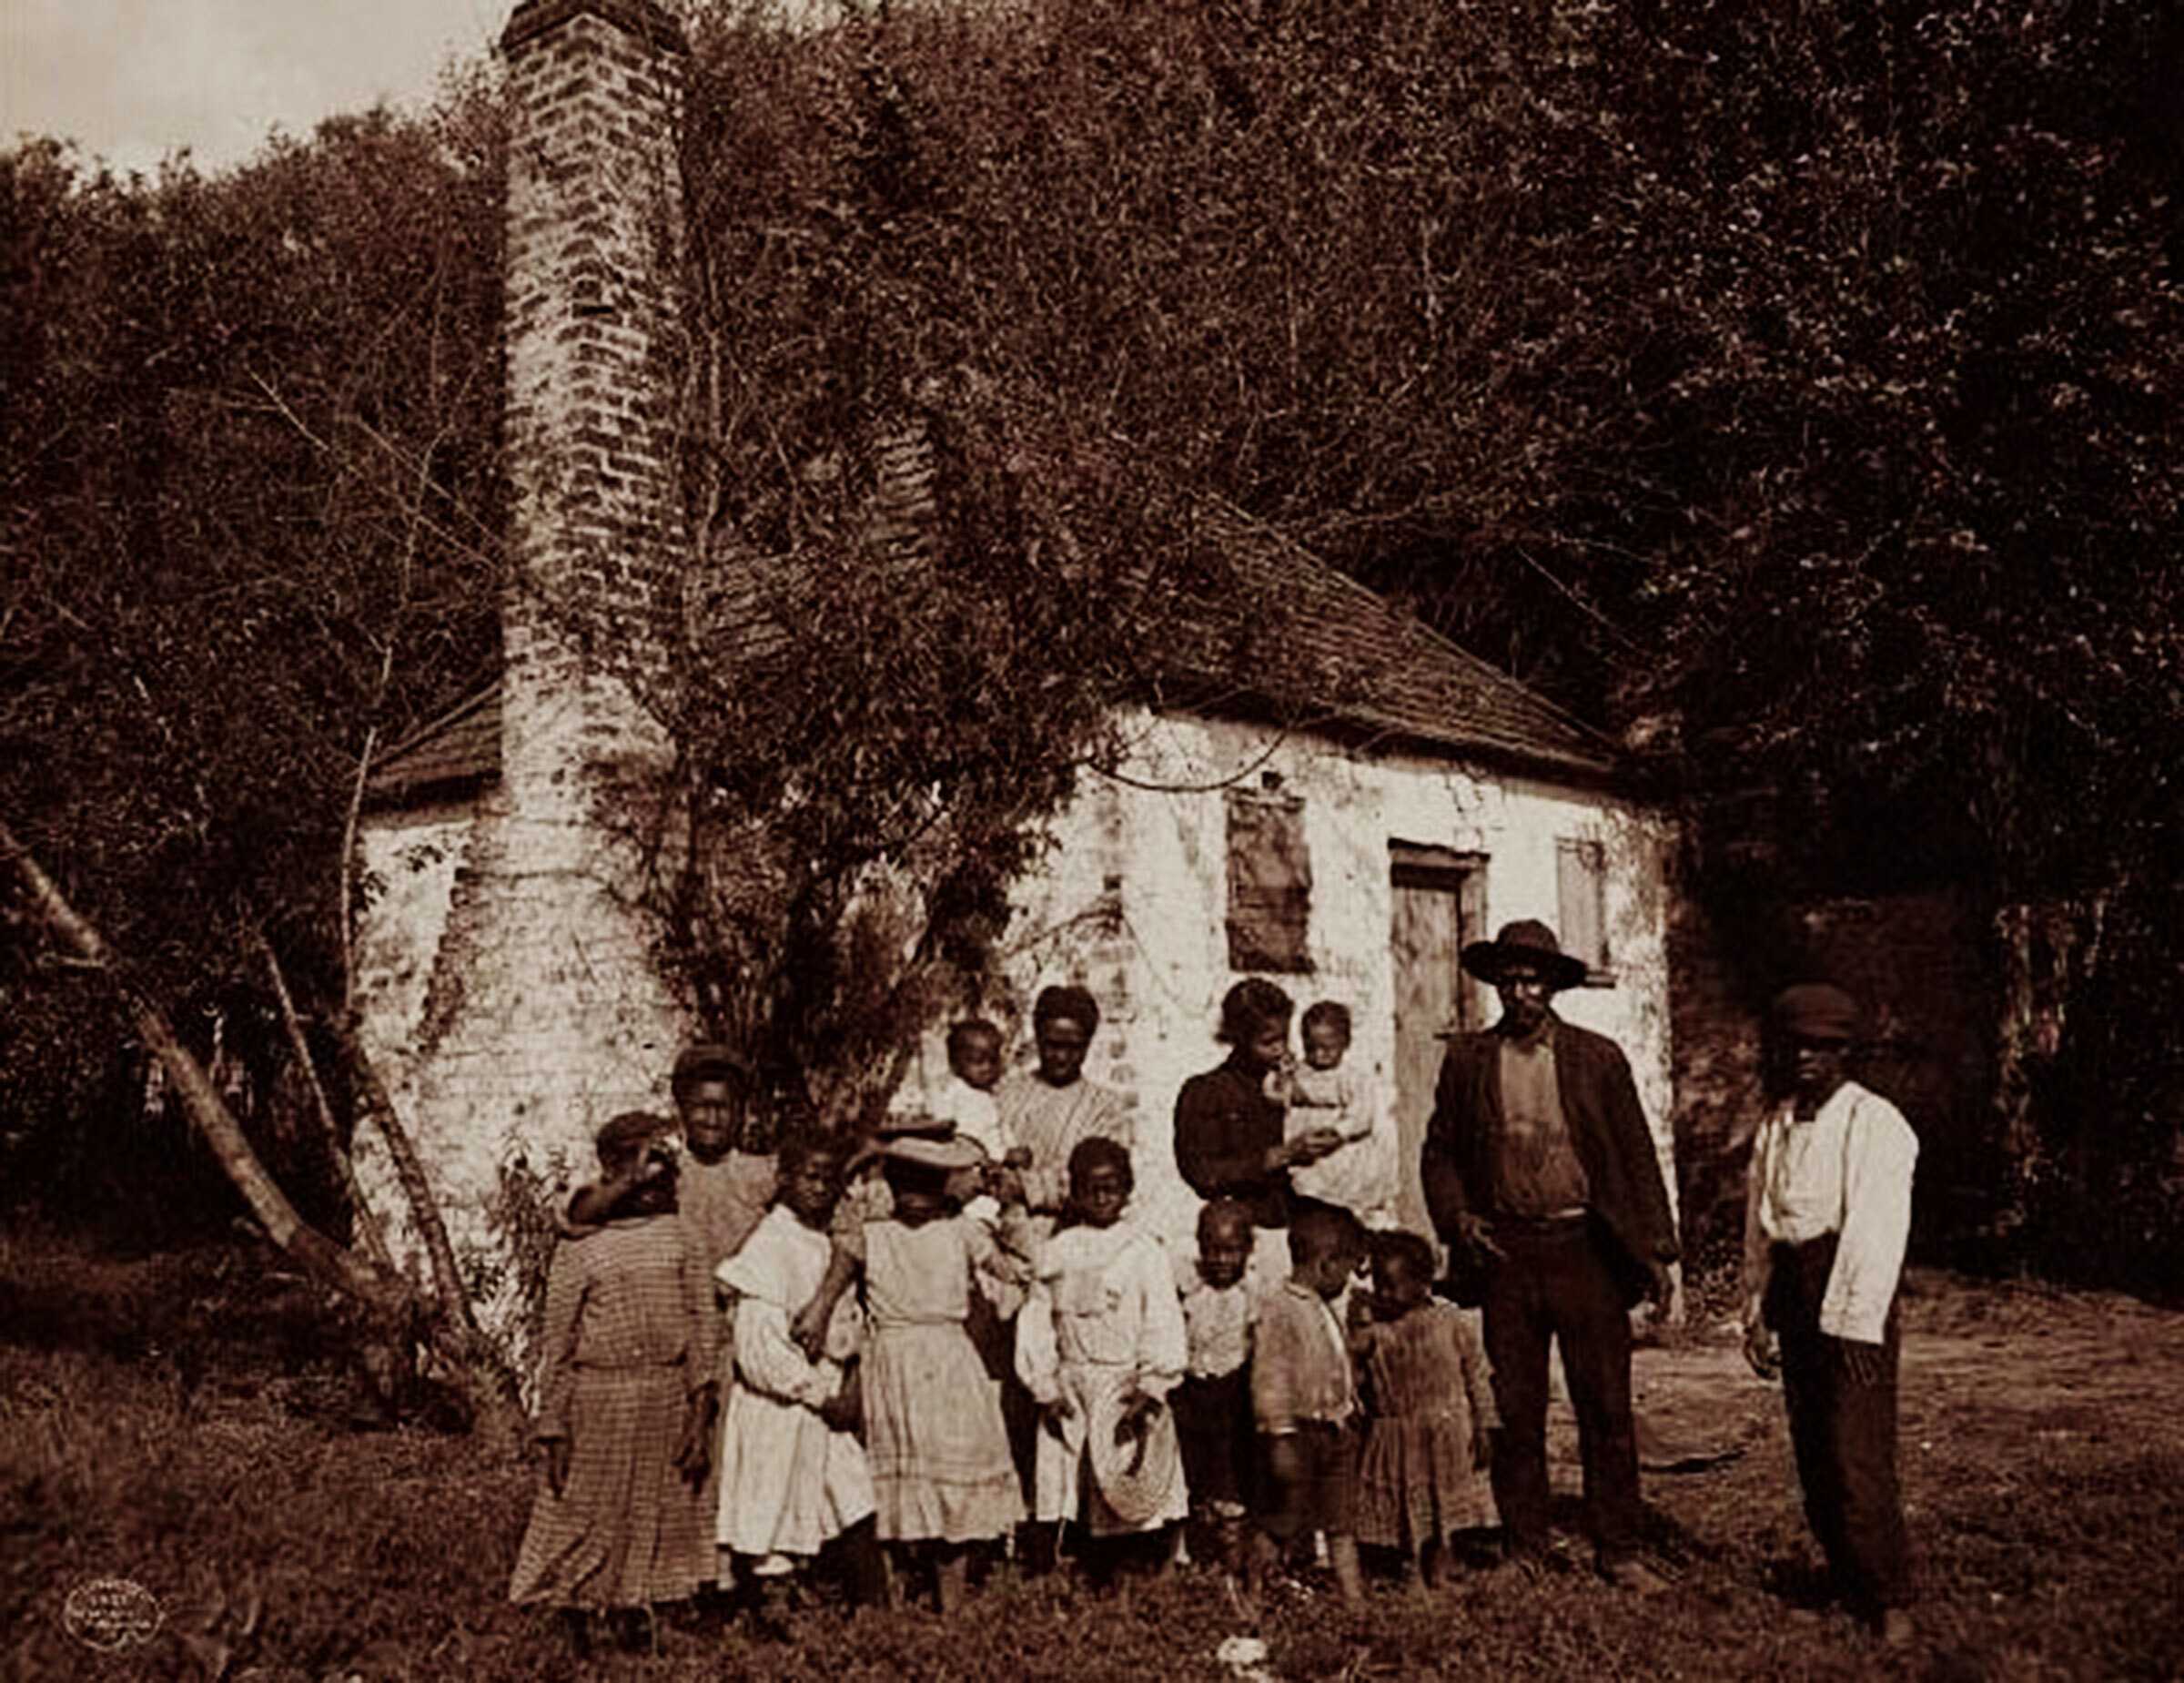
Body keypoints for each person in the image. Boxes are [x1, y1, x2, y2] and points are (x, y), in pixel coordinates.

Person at [1421, 918, 1678, 1591]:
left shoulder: (1598, 1058)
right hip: (1507, 1251)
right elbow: (1440, 1150)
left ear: (1553, 985)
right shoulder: (1469, 1060)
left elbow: (1635, 1154)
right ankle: (1525, 1546)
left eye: (1532, 978)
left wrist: (1657, 1250)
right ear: (1496, 984)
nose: (1520, 990)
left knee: (1605, 1405)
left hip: (1585, 1249)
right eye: (1508, 979)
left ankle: (1618, 1547)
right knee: (1515, 1409)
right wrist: (1459, 1216)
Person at [1742, 982, 1918, 1646]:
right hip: (1794, 1285)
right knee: (1813, 1444)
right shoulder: (1776, 1123)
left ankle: (1889, 1592)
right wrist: (1755, 1309)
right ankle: (1844, 1578)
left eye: (1823, 1048)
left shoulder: (1875, 1123)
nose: (1807, 1059)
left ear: (1845, 1052)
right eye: (1796, 1047)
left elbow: (1875, 1229)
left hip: (1849, 1287)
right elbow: (1760, 1223)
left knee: (1857, 1449)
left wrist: (1855, 1323)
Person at [510, 1112, 719, 1656]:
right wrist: (553, 1425)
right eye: (640, 1173)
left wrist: (700, 1412)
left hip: (666, 1392)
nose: (655, 1185)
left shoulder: (682, 1237)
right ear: (613, 1173)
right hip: (599, 1398)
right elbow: (557, 1342)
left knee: (662, 1507)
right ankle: (573, 1612)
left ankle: (640, 1611)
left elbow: (703, 1324)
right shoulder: (581, 1242)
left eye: (663, 1174)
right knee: (584, 1509)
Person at [844, 1133, 1030, 1611]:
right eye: (903, 1178)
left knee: (952, 1480)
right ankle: (895, 1597)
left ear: (944, 1184)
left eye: (927, 1180)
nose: (915, 1193)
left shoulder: (961, 1231)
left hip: (948, 1362)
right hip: (891, 1361)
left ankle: (952, 1601)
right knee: (894, 1481)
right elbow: (835, 1206)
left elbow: (1019, 1271)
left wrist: (1007, 1204)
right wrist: (866, 1157)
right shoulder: (872, 1232)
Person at [713, 1134, 882, 1637]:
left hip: (826, 1397)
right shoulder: (769, 1245)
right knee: (776, 1505)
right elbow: (759, 1349)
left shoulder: (827, 1241)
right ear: (784, 1180)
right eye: (809, 1177)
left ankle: (875, 1611)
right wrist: (815, 1393)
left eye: (830, 1180)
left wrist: (846, 1380)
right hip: (782, 1405)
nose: (820, 1188)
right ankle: (775, 1618)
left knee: (855, 1496)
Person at [1016, 1138, 1189, 1588]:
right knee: (1072, 1486)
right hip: (1073, 1384)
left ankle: (1131, 1579)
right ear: (1073, 1191)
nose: (1101, 1197)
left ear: (1127, 1189)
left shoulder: (1143, 1250)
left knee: (1126, 1485)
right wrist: (1045, 1386)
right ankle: (1077, 1575)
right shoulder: (1059, 1250)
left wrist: (1151, 1385)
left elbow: (1163, 1321)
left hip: (1122, 1386)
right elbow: (1037, 1320)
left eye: (1111, 1187)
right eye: (1090, 1188)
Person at [1351, 1229, 1499, 1589]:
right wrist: (1359, 1327)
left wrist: (1485, 1425)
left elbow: (1477, 1376)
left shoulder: (1451, 1321)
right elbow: (1353, 1371)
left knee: (1443, 1508)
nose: (1386, 1293)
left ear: (1424, 1282)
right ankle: (1410, 1568)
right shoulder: (1377, 1330)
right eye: (1380, 1284)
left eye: (1395, 1285)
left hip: (1446, 1431)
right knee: (1407, 1506)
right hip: (1397, 1435)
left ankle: (1442, 1564)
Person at [1176, 979, 1349, 1285]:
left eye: (1284, 1038)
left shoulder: (1293, 1082)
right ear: (1238, 1039)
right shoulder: (1207, 1092)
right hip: (1245, 1239)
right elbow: (1200, 1172)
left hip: (1303, 1229)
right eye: (1268, 1041)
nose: (1280, 1049)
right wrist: (1278, 1157)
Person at [1251, 1202, 1370, 1607]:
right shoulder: (1281, 1309)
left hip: (1334, 1431)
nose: (1348, 1280)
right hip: (1300, 1433)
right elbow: (1271, 1378)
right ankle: (1254, 1593)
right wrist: (1280, 1436)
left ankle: (1355, 1604)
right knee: (1284, 1520)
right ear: (1325, 1263)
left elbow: (1331, 1359)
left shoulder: (1320, 1305)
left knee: (1341, 1522)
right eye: (1346, 1270)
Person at [1169, 1197, 1262, 1584]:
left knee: (1230, 1483)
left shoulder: (1251, 1296)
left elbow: (1259, 1344)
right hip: (1194, 1394)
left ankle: (1234, 1567)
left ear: (1247, 1250)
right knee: (1194, 1478)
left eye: (1231, 1250)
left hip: (1233, 1396)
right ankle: (1196, 1559)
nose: (1221, 1260)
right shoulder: (1192, 1291)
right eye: (1212, 1250)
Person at [992, 985, 1135, 1228]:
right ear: (1037, 1038)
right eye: (1053, 1045)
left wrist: (1024, 1187)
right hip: (1004, 1232)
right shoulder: (1005, 1095)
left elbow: (1101, 1183)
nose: (1061, 1057)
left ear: (1088, 1045)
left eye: (1073, 1048)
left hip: (1076, 1235)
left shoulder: (1105, 1108)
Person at [1277, 1000, 1400, 1231]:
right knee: (1309, 1194)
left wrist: (1340, 1132)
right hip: (1308, 1151)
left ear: (1345, 1043)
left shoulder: (1352, 1077)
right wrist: (1285, 1079)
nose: (1319, 1055)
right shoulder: (1302, 1071)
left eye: (1327, 1048)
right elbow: (1280, 1094)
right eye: (1311, 1047)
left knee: (1341, 1198)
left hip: (1339, 1150)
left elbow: (1362, 1113)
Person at [931, 1018, 1020, 1171]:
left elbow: (998, 1129)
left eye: (993, 1061)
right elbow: (966, 1139)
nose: (987, 1068)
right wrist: (1003, 1155)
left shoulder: (988, 1094)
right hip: (968, 1169)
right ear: (955, 1064)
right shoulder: (959, 1096)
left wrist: (1013, 1147)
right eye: (978, 1062)